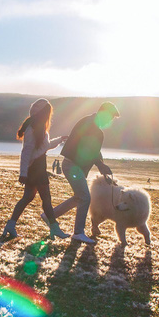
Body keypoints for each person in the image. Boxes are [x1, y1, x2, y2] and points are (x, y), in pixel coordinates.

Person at [47, 101, 119, 244]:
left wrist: (102, 167)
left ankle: (50, 216)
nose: (109, 121)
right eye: (110, 118)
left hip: (73, 165)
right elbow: (88, 150)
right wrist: (101, 166)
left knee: (79, 197)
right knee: (85, 197)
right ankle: (78, 232)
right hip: (73, 165)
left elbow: (95, 151)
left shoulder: (90, 124)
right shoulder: (91, 127)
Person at [2, 98, 69, 239]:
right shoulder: (33, 128)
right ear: (42, 112)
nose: (48, 115)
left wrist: (60, 140)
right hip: (36, 167)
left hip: (38, 165)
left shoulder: (38, 126)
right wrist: (23, 173)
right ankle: (55, 228)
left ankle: (11, 224)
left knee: (28, 197)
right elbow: (26, 151)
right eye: (47, 112)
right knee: (46, 198)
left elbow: (45, 146)